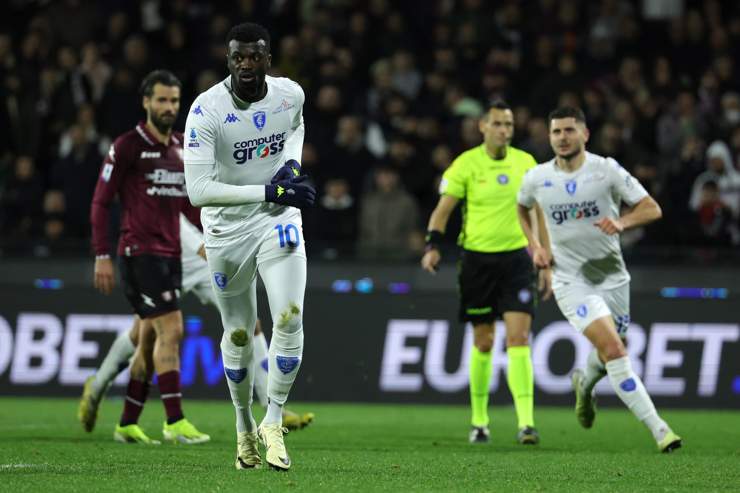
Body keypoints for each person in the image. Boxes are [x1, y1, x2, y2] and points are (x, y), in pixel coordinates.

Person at [184, 22, 316, 470]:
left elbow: (296, 126)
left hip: (277, 220)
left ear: (267, 60)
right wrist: (270, 191)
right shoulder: (206, 111)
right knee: (239, 334)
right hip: (225, 231)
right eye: (238, 56)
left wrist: (292, 166)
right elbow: (198, 190)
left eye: (254, 56)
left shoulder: (289, 94)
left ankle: (273, 420)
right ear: (228, 59)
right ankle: (243, 426)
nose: (245, 64)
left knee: (289, 316)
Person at [516, 106, 682, 453]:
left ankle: (584, 384)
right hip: (570, 279)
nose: (562, 138)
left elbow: (652, 208)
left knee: (610, 350)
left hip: (612, 277)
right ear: (549, 137)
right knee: (614, 349)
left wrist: (622, 222)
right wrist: (535, 248)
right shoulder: (537, 177)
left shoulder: (606, 171)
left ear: (585, 135)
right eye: (556, 132)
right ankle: (661, 430)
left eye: (569, 131)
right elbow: (522, 206)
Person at [78, 215, 315, 435]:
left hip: (204, 257)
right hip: (172, 252)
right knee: (142, 332)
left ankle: (273, 407)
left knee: (249, 323)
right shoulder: (175, 170)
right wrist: (202, 246)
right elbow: (171, 210)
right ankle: (97, 386)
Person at [90, 69, 209, 445]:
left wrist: (209, 239)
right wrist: (101, 255)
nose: (169, 107)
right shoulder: (127, 146)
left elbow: (188, 206)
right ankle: (175, 420)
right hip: (138, 252)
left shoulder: (180, 148)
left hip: (170, 253)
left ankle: (127, 423)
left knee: (145, 338)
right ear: (146, 102)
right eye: (161, 100)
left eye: (174, 100)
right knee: (172, 329)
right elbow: (100, 201)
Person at [421, 101, 548, 445]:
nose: (504, 130)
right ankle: (479, 421)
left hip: (517, 261)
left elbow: (538, 214)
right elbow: (443, 211)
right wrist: (432, 245)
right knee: (484, 341)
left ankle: (526, 423)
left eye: (508, 124)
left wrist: (544, 256)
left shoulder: (526, 163)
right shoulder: (466, 164)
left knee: (519, 338)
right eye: (497, 124)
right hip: (477, 262)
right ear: (483, 126)